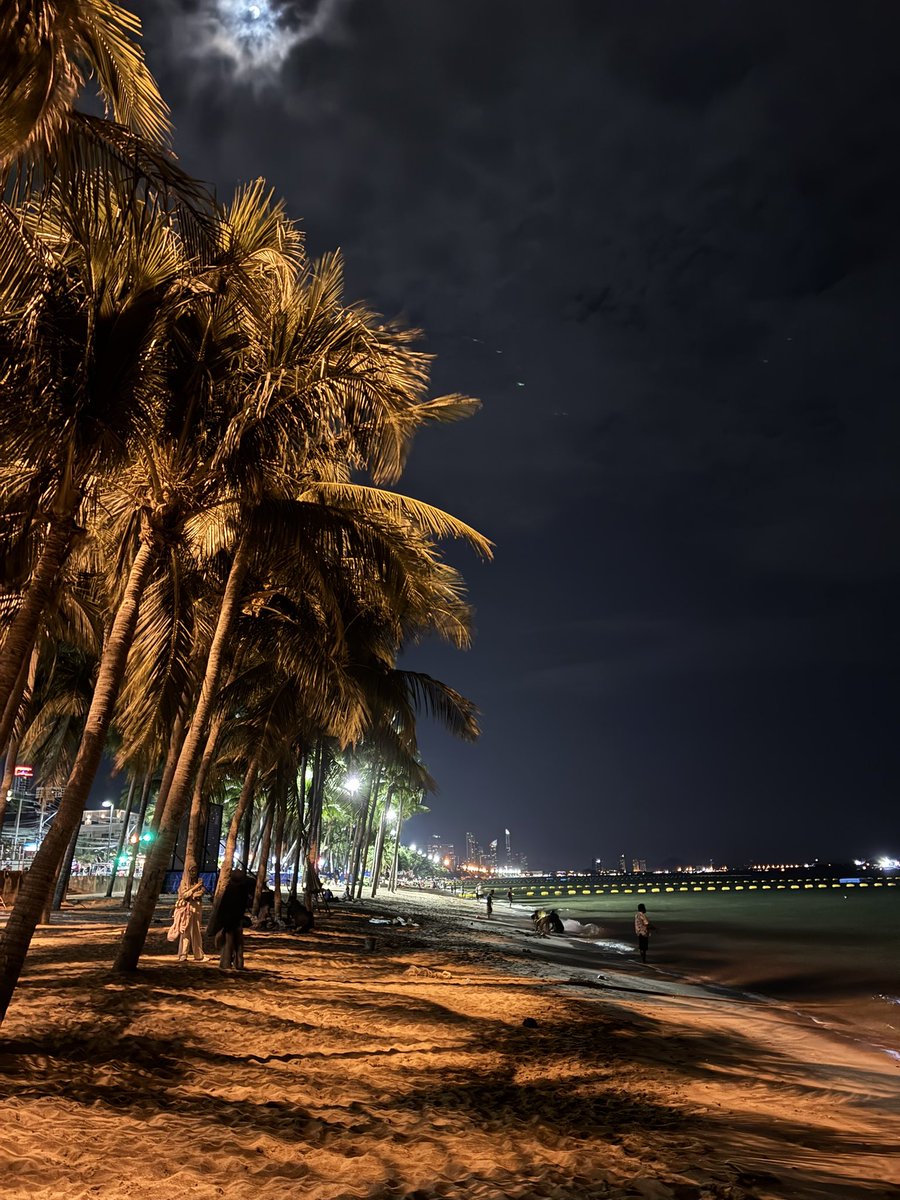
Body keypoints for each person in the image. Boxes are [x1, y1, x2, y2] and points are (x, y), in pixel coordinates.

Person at [208, 870, 255, 970]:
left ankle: (226, 963)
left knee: (228, 944)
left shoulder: (230, 890)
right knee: (238, 944)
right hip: (237, 920)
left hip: (230, 921)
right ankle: (238, 964)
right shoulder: (243, 890)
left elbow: (224, 907)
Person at [168, 880, 206, 962]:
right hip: (186, 910)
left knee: (196, 931)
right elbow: (184, 895)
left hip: (197, 908)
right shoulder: (184, 882)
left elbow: (201, 892)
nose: (193, 873)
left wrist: (194, 893)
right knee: (185, 931)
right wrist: (195, 888)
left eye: (195, 870)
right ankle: (183, 954)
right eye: (191, 871)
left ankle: (199, 955)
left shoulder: (199, 881)